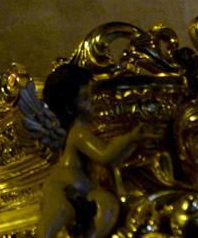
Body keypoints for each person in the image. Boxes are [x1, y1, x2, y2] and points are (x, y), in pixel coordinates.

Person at [38, 62, 143, 238]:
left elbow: (113, 160)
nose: (93, 100)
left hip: (77, 192)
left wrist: (133, 143)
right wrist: (130, 137)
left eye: (91, 94)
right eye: (85, 98)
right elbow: (105, 155)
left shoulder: (83, 131)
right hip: (62, 188)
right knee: (49, 228)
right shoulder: (78, 133)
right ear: (70, 108)